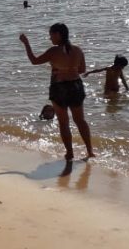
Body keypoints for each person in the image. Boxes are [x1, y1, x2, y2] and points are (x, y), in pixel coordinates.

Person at [19, 23, 95, 160]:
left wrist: (26, 43)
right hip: (76, 86)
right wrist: (68, 70)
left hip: (59, 87)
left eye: (51, 35)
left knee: (63, 122)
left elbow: (34, 61)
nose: (50, 38)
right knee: (80, 120)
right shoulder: (78, 50)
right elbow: (82, 70)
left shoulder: (54, 51)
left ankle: (70, 153)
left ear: (58, 34)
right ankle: (90, 151)